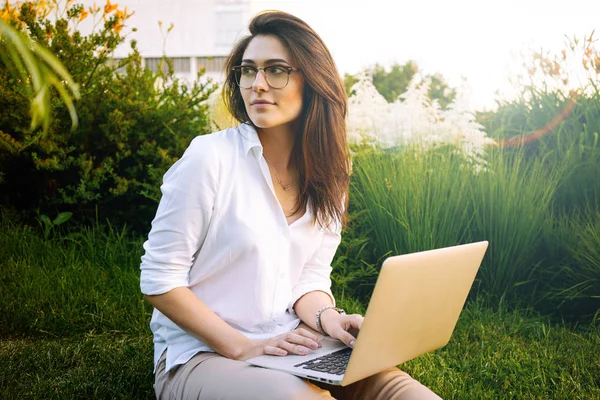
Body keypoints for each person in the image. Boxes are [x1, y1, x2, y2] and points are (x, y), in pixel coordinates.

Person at [140, 10, 443, 400]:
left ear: (313, 81)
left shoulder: (331, 172)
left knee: (408, 394)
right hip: (202, 354)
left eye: (276, 70)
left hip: (290, 344)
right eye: (248, 71)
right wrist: (241, 346)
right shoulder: (209, 158)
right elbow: (159, 279)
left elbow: (309, 278)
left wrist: (329, 319)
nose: (257, 84)